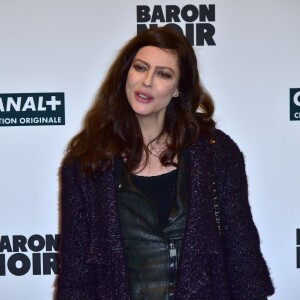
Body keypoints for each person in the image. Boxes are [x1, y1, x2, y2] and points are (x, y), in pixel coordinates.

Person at [55, 27, 275, 299]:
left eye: (163, 74)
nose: (147, 81)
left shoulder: (217, 153)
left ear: (177, 90)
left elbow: (243, 256)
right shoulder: (87, 162)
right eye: (140, 67)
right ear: (126, 74)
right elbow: (76, 275)